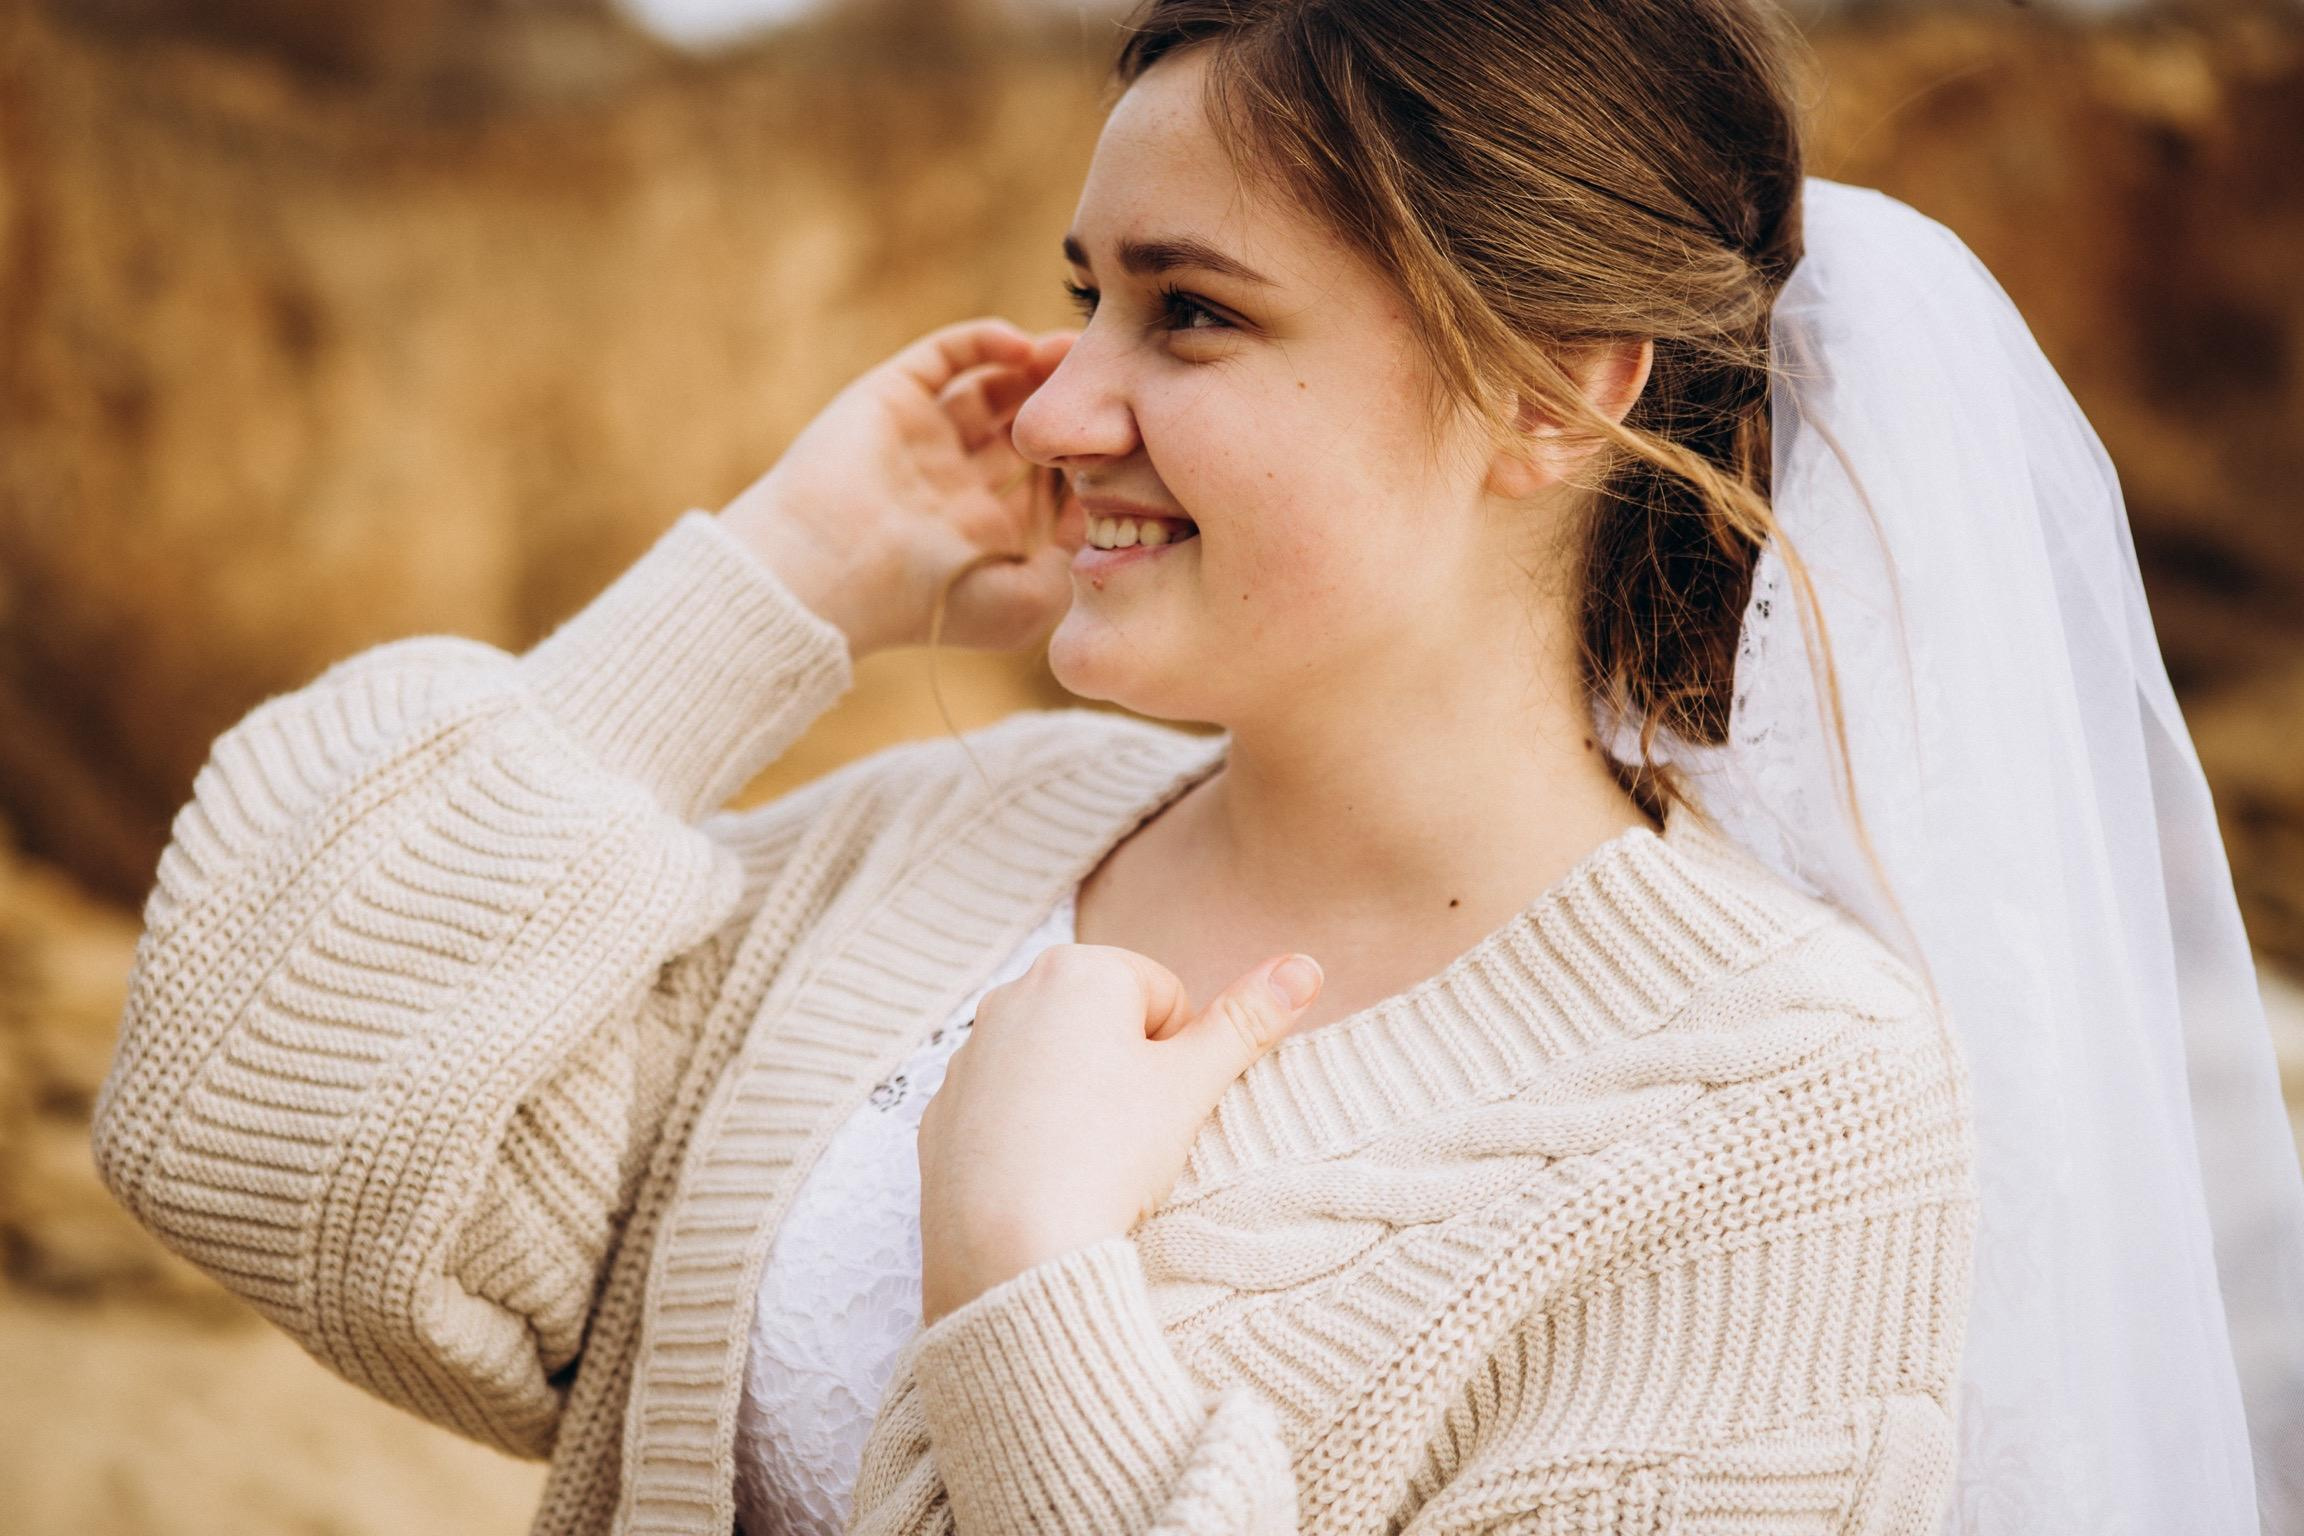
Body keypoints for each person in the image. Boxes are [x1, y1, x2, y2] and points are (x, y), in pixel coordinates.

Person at [113, 0, 2297, 1529]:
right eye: (1082, 298)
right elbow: (233, 1103)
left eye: (1192, 314)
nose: (1059, 404)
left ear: (1549, 389)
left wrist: (1036, 1270)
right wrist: (772, 586)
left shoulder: (1778, 1109)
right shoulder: (949, 842)